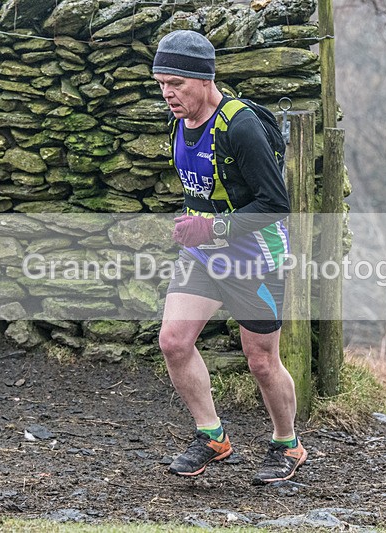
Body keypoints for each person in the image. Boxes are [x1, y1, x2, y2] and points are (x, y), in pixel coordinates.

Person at [152, 30, 306, 485]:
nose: (167, 93)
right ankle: (212, 436)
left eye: (175, 83)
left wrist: (214, 226)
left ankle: (287, 443)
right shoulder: (178, 119)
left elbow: (275, 203)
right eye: (161, 83)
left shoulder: (240, 126)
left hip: (255, 257)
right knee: (174, 341)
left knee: (261, 361)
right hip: (204, 255)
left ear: (204, 79)